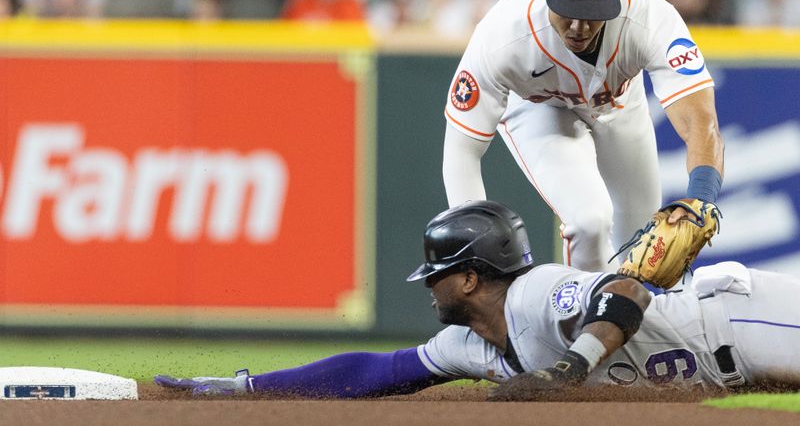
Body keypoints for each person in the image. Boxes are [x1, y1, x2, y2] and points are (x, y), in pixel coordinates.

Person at [154, 201, 800, 398]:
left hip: (735, 319)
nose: (428, 283)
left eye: (435, 272)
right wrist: (245, 386)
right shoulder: (470, 342)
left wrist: (570, 367)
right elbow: (376, 370)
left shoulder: (536, 292)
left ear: (467, 277)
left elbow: (626, 288)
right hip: (719, 368)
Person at [441, 0, 724, 272]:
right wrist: (475, 246)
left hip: (618, 104)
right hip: (538, 108)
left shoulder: (647, 15)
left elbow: (701, 121)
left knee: (640, 243)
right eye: (569, 10)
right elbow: (462, 149)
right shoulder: (503, 36)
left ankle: (623, 320)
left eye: (591, 12)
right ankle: (583, 324)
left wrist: (702, 198)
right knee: (589, 221)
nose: (578, 26)